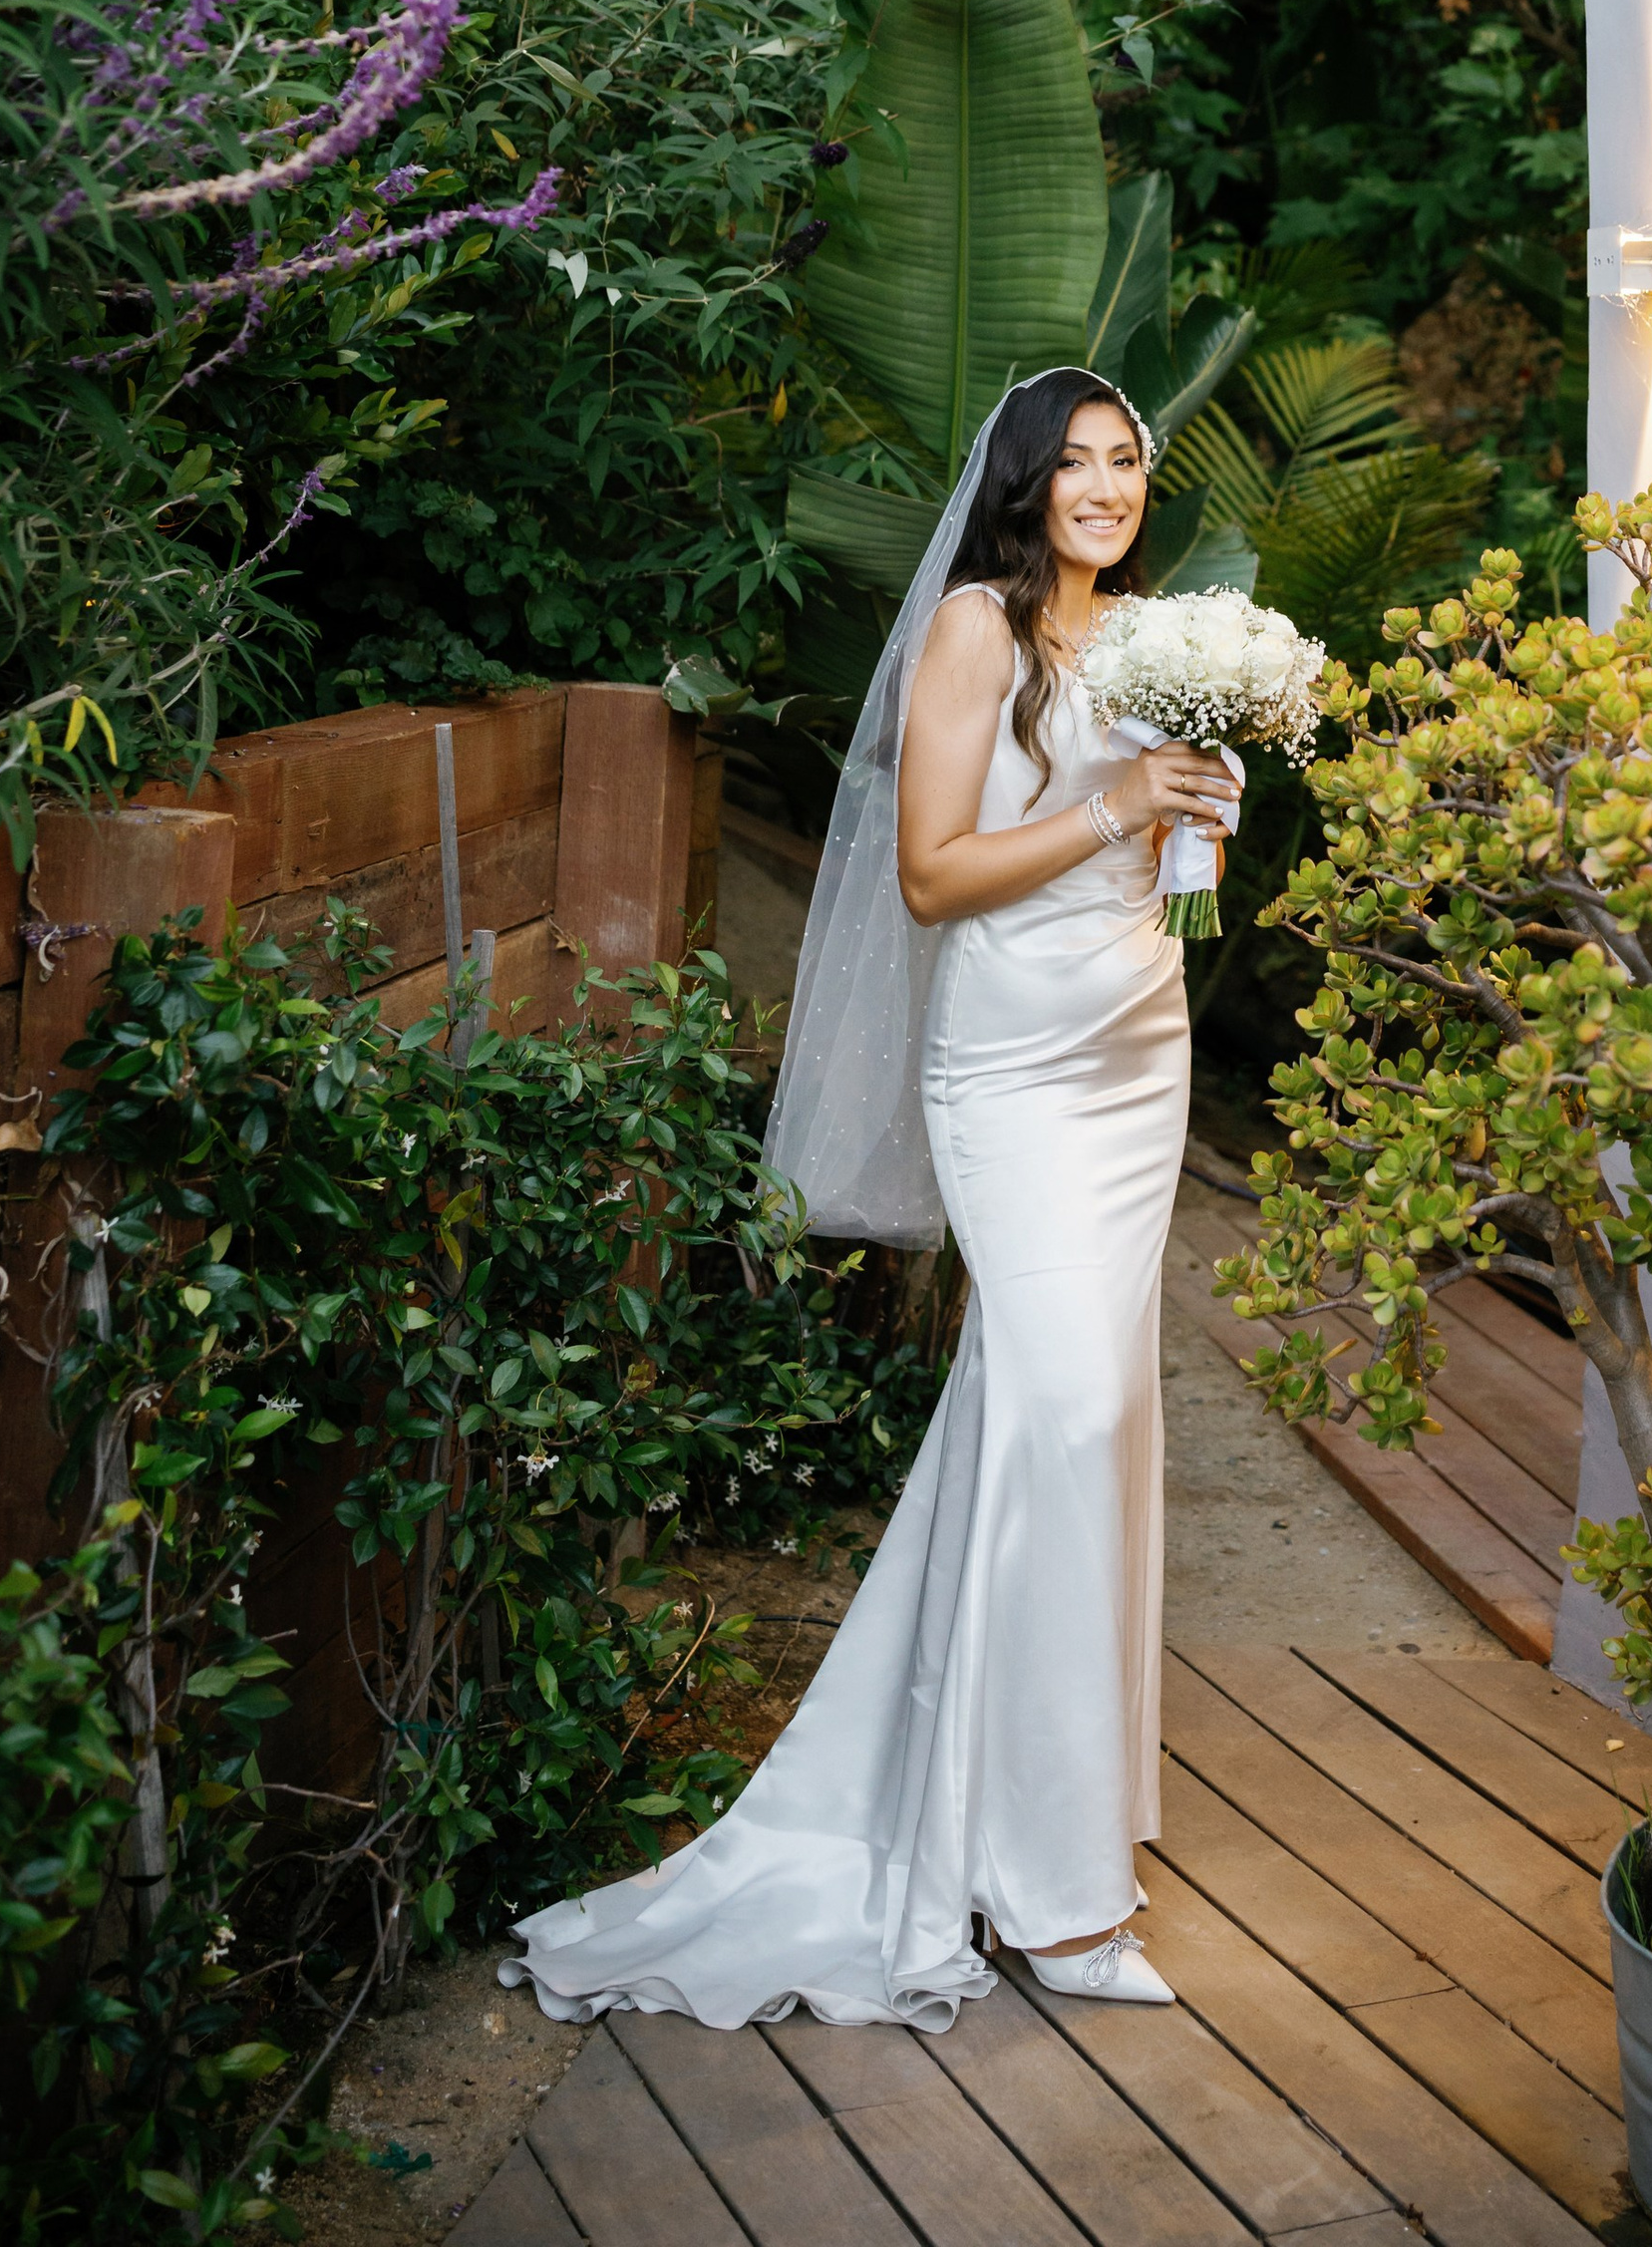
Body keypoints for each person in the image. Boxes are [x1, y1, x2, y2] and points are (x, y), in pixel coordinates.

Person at [501, 367, 1238, 2031]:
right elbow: (929, 873)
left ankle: (1038, 1829)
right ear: (1025, 482)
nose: (1108, 487)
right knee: (1059, 1418)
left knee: (1085, 1427)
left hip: (1139, 1054)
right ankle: (1049, 1900)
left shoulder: (1154, 641)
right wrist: (1116, 802)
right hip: (1015, 1070)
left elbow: (1149, 863)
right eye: (1077, 463)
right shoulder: (979, 629)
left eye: (1128, 462)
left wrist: (1192, 824)